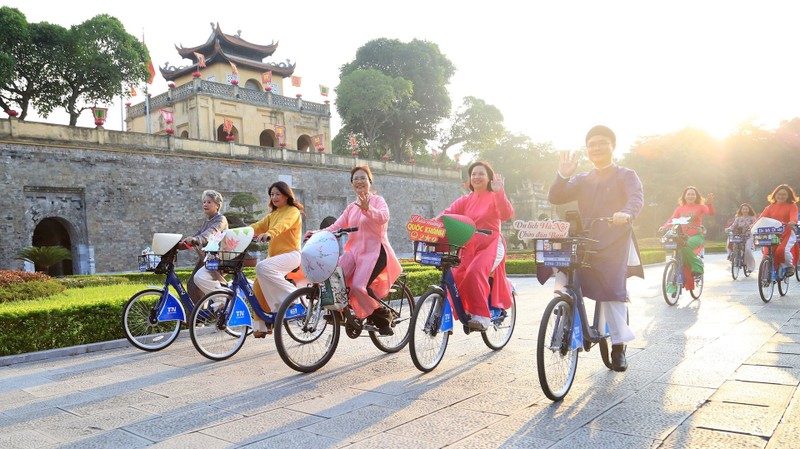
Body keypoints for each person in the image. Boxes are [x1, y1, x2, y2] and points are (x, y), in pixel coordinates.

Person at [545, 125, 643, 372]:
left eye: (601, 143)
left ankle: (619, 346)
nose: (596, 148)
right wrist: (563, 174)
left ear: (613, 146)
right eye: (591, 145)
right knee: (561, 267)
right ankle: (565, 311)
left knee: (611, 289)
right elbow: (555, 197)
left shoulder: (626, 175)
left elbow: (636, 199)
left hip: (614, 239)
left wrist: (626, 213)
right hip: (585, 238)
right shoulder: (582, 178)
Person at [322, 166, 402, 335]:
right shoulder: (351, 207)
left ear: (370, 181)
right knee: (335, 276)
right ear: (352, 184)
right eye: (355, 179)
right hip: (353, 253)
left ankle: (383, 316)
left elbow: (383, 217)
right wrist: (317, 234)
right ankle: (340, 311)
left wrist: (367, 209)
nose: (359, 181)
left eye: (362, 178)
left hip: (375, 252)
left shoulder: (378, 201)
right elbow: (337, 226)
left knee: (359, 286)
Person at [440, 160, 515, 332]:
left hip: (491, 244)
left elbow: (506, 214)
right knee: (456, 274)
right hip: (469, 246)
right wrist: (427, 226)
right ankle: (467, 311)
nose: (476, 177)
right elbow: (446, 215)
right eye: (473, 174)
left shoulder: (495, 196)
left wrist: (500, 192)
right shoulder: (465, 200)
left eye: (481, 174)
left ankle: (482, 317)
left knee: (475, 271)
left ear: (489, 178)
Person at [250, 181, 304, 338]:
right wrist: (236, 233)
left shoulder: (293, 211)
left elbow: (283, 225)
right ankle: (262, 325)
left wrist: (270, 233)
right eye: (272, 194)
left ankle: (292, 298)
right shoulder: (272, 215)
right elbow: (256, 226)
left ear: (287, 195)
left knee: (261, 267)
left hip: (291, 255)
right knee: (257, 284)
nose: (274, 197)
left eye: (277, 194)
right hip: (274, 258)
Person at [659, 186, 715, 290]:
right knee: (678, 256)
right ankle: (673, 284)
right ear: (684, 196)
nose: (690, 196)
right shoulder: (679, 209)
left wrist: (709, 204)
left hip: (696, 235)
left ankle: (697, 267)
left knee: (685, 246)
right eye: (688, 194)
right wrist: (665, 227)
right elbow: (672, 219)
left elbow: (710, 213)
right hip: (682, 236)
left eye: (693, 194)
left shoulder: (701, 206)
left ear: (696, 196)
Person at [185, 190, 229, 303]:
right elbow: (198, 235)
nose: (205, 204)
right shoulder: (207, 221)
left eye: (209, 202)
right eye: (204, 202)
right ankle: (198, 316)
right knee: (192, 285)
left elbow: (211, 232)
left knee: (198, 280)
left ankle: (222, 301)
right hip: (206, 259)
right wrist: (179, 244)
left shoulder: (220, 220)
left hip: (217, 260)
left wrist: (197, 239)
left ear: (218, 205)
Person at [756, 184, 798, 277]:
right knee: (767, 253)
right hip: (772, 234)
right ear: (774, 195)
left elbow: (794, 216)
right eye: (779, 194)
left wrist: (792, 221)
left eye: (784, 194)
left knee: (781, 250)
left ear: (788, 196)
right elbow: (761, 218)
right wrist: (754, 225)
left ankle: (788, 266)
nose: (781, 196)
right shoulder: (770, 207)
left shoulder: (792, 206)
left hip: (786, 232)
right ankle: (765, 277)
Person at [726, 203, 757, 272]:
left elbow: (755, 225)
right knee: (736, 246)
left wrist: (752, 227)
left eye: (746, 208)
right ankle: (736, 258)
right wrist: (728, 229)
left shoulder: (752, 218)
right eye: (743, 209)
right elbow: (733, 226)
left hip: (749, 236)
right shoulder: (738, 218)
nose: (745, 210)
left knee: (748, 250)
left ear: (749, 210)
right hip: (740, 235)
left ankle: (750, 267)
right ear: (741, 210)